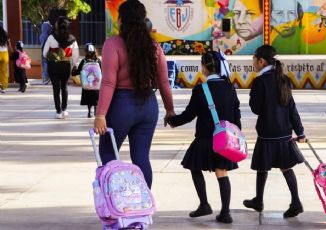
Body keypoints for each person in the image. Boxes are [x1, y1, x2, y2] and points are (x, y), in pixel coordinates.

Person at [93, 0, 174, 189]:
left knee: (108, 155)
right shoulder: (154, 47)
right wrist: (170, 110)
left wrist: (100, 114)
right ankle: (143, 207)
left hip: (121, 106)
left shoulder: (113, 44)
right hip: (148, 106)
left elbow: (108, 81)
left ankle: (116, 206)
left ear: (121, 20)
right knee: (141, 157)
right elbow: (164, 82)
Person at [167, 51, 241, 224]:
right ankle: (225, 212)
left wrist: (172, 121)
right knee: (221, 172)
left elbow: (189, 114)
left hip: (205, 138)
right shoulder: (229, 87)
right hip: (224, 139)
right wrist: (236, 134)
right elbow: (236, 113)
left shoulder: (201, 89)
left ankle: (204, 204)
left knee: (194, 167)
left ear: (205, 67)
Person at [243, 45, 306, 219]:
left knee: (262, 167)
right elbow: (292, 108)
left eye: (254, 60)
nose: (253, 63)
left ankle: (259, 200)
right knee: (286, 168)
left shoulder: (260, 81)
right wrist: (300, 133)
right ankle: (295, 202)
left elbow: (255, 109)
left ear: (261, 61)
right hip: (284, 133)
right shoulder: (283, 79)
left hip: (267, 133)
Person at [43, 16, 79, 119]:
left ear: (57, 26)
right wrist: (73, 65)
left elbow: (45, 53)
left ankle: (58, 111)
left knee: (55, 88)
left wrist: (53, 55)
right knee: (64, 87)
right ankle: (64, 109)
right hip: (65, 65)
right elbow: (75, 55)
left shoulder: (51, 37)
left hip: (53, 66)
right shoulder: (72, 39)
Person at [72, 43, 101, 118]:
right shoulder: (98, 61)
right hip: (96, 85)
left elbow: (77, 72)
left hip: (87, 85)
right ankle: (95, 110)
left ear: (85, 52)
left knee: (88, 98)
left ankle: (89, 111)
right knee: (96, 98)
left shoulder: (84, 61)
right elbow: (102, 71)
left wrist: (73, 71)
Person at [40, 20, 53, 84]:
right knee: (46, 63)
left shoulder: (42, 35)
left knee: (44, 62)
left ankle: (45, 77)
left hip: (44, 50)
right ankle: (46, 77)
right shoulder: (48, 36)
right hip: (48, 50)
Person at [0, 26, 12, 93]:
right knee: (4, 72)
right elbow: (9, 45)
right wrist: (11, 51)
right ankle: (4, 88)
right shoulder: (5, 35)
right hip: (5, 54)